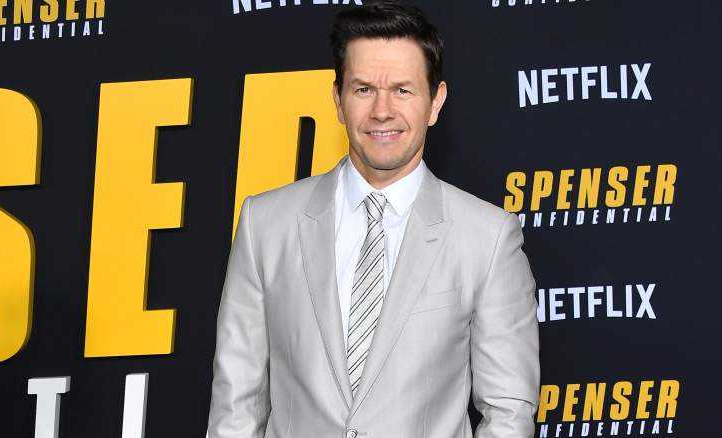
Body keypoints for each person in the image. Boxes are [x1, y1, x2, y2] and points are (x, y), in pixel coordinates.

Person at [206, 2, 540, 437]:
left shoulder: (488, 238)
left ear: (435, 101)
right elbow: (236, 404)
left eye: (402, 90)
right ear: (338, 99)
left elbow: (509, 412)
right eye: (364, 89)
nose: (382, 111)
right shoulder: (264, 225)